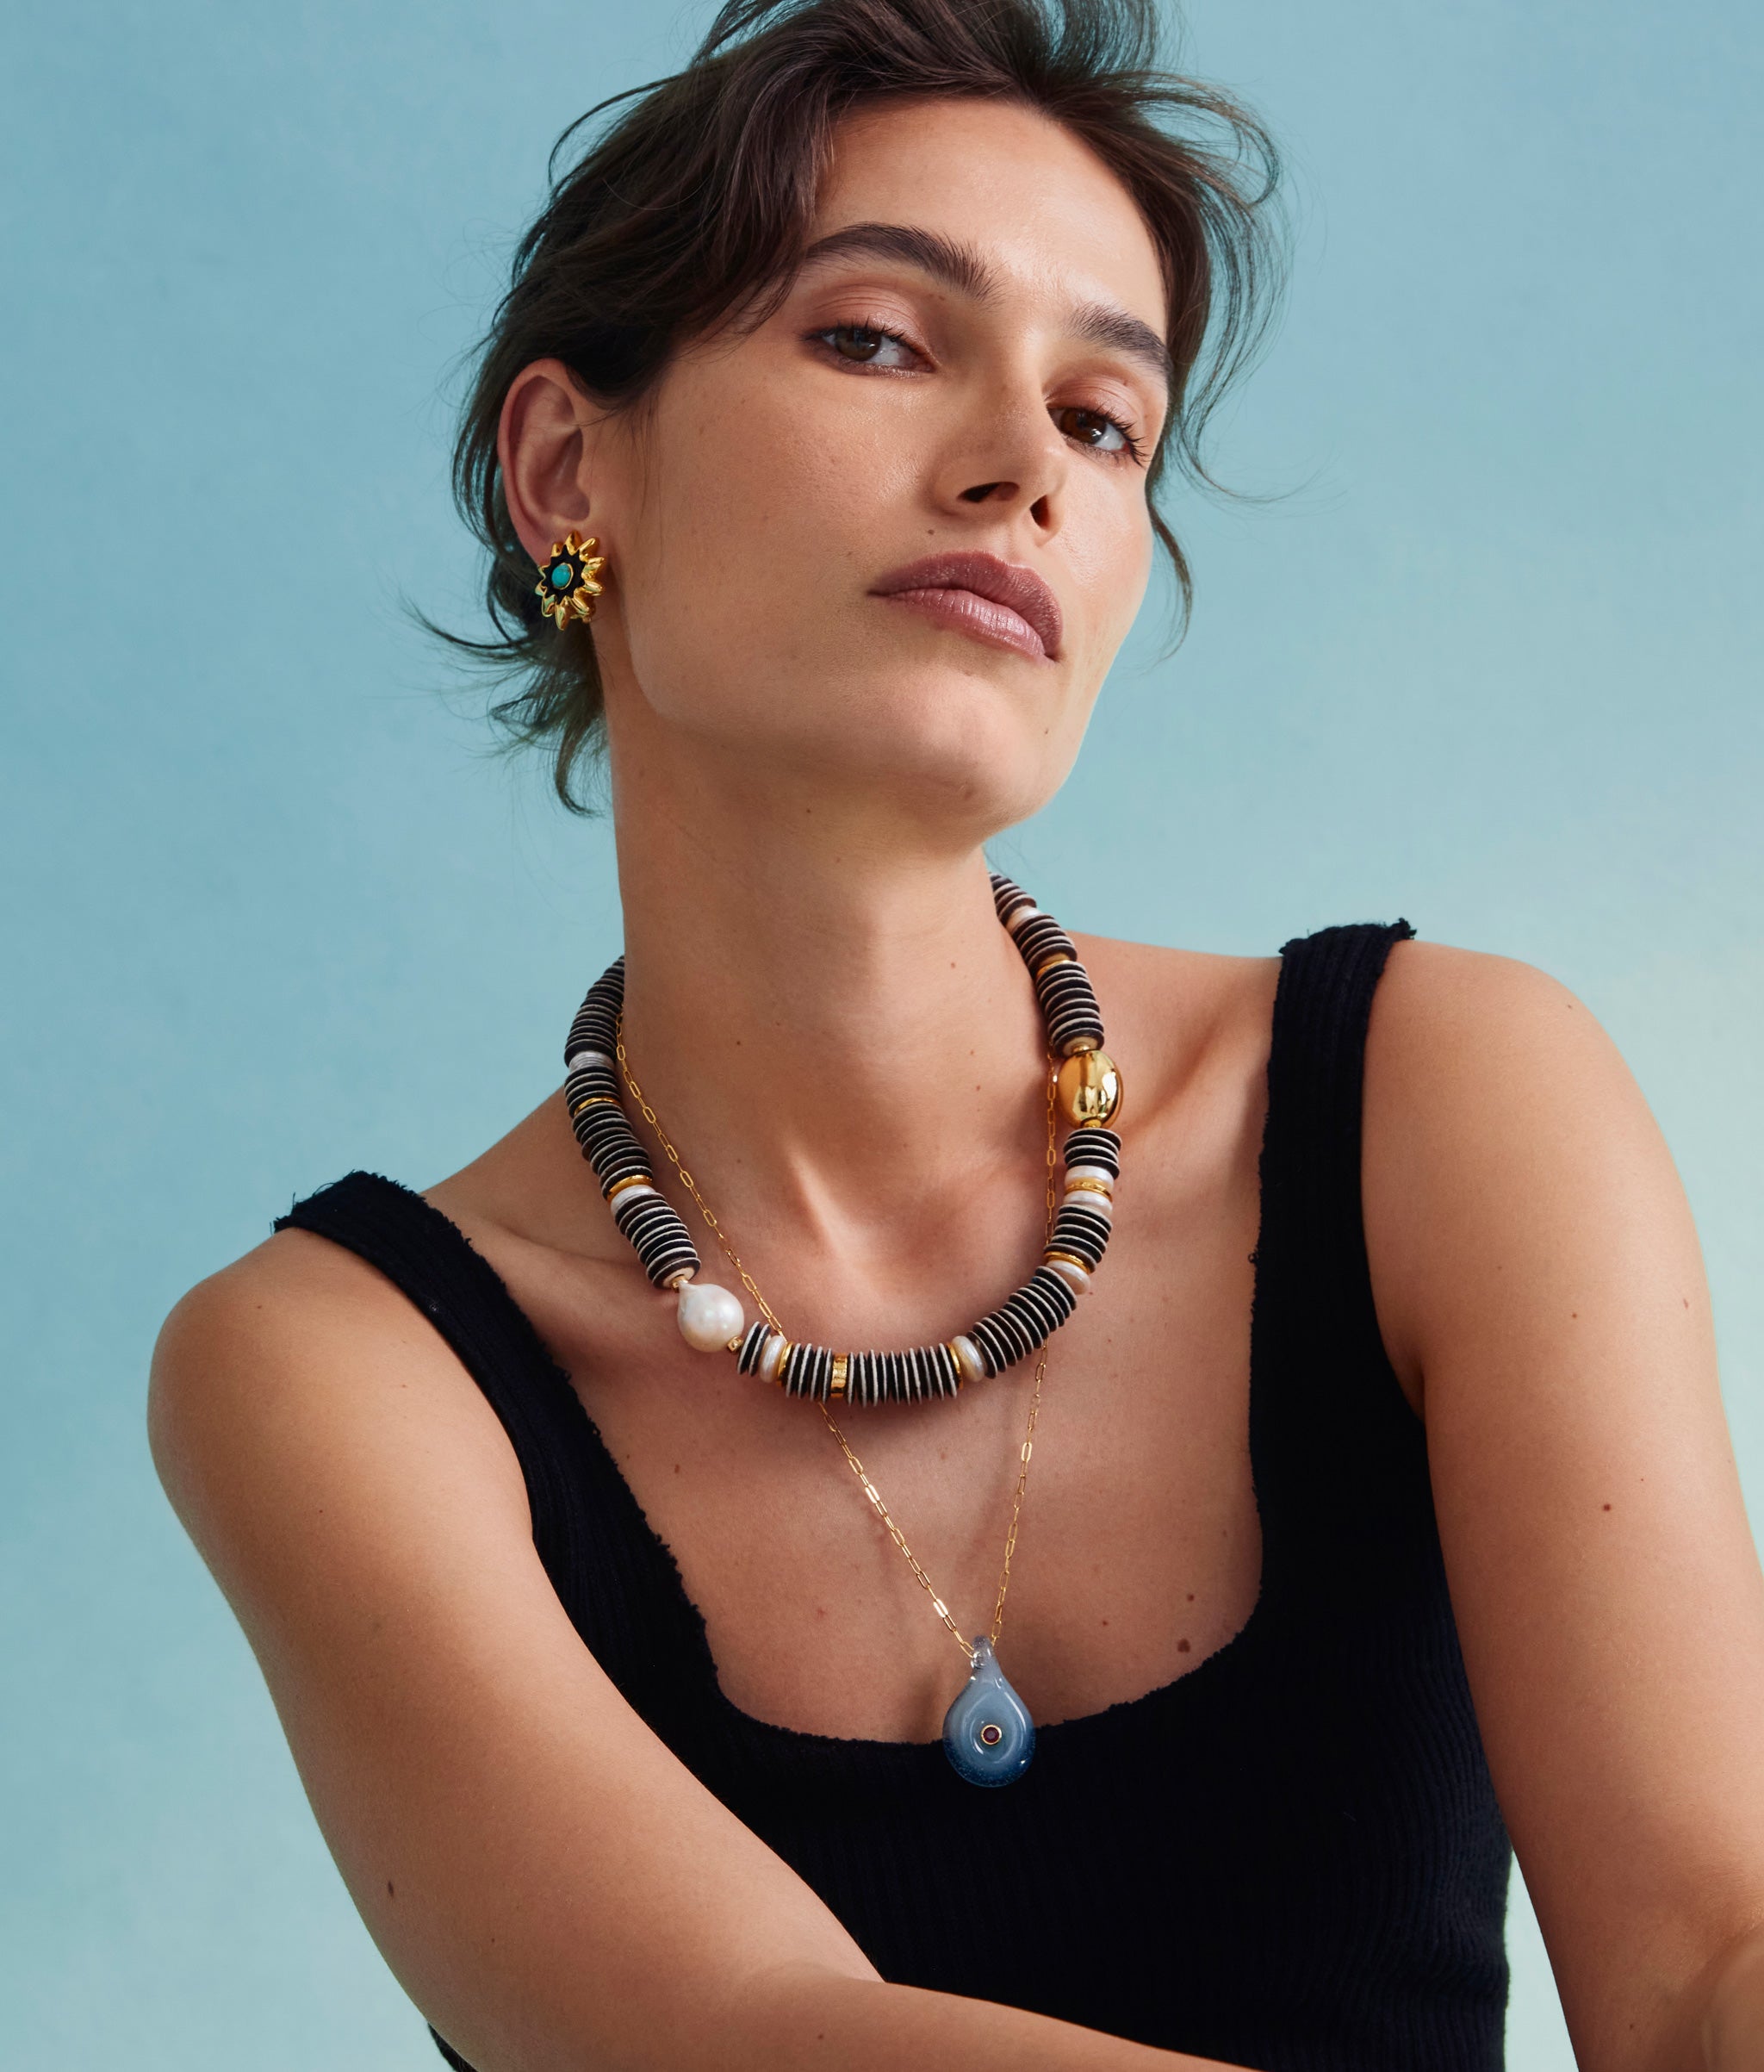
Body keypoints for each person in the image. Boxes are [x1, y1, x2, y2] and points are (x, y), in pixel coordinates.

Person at [147, 2, 1764, 2067]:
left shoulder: (1443, 1097)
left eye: (1105, 420)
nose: (1022, 468)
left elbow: (1707, 1956)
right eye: (878, 340)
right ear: (569, 466)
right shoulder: (343, 1371)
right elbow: (742, 2032)